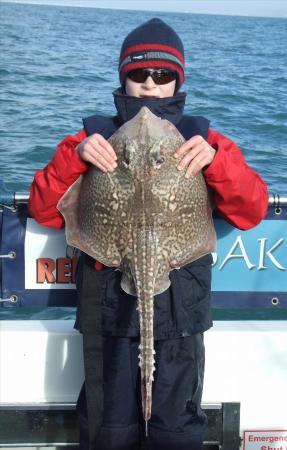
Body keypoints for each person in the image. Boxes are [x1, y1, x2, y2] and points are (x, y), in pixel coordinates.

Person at [28, 18, 268, 450]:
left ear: (179, 81)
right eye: (139, 74)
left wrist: (215, 164)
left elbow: (251, 210)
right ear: (124, 78)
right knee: (108, 428)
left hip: (181, 311)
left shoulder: (206, 142)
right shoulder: (90, 139)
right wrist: (78, 158)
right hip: (107, 310)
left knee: (175, 429)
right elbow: (44, 209)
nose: (151, 85)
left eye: (163, 75)